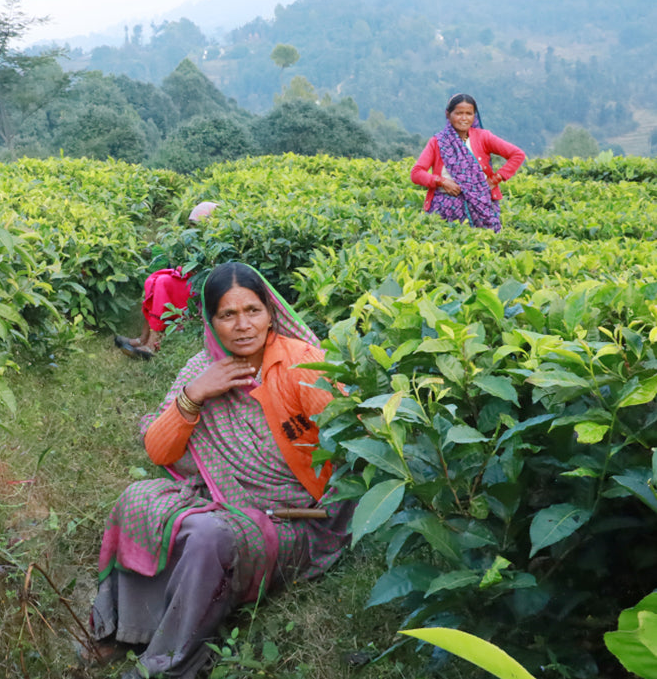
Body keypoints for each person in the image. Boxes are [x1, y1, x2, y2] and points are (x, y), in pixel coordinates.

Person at [89, 262, 351, 679]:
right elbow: (159, 449)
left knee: (209, 538)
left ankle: (169, 663)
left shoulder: (302, 366)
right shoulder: (201, 369)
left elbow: (348, 448)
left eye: (253, 311)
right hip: (219, 500)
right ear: (211, 322)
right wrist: (195, 395)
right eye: (228, 315)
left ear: (271, 313)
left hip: (291, 521)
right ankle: (126, 630)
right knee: (137, 499)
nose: (243, 325)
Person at [114, 202, 218, 360]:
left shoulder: (218, 239)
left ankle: (151, 345)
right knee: (153, 281)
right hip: (191, 279)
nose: (195, 228)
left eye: (198, 224)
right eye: (193, 224)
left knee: (163, 283)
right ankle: (143, 338)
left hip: (202, 287)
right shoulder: (195, 238)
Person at [410, 93, 525, 232]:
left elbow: (517, 155)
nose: (464, 118)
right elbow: (416, 173)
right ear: (448, 114)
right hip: (445, 206)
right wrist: (442, 182)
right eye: (459, 113)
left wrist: (496, 179)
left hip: (481, 206)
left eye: (469, 113)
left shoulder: (483, 137)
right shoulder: (438, 142)